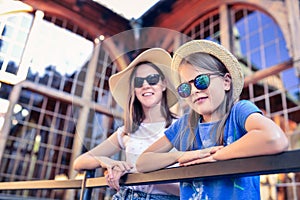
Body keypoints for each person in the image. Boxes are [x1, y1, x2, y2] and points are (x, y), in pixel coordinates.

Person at [136, 40, 289, 200]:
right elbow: (143, 162)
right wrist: (180, 156)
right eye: (186, 88)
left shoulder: (239, 112)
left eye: (201, 81)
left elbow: (275, 138)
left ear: (226, 82)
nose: (194, 90)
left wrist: (215, 156)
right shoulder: (185, 125)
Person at [73, 48, 180, 200]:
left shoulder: (181, 127)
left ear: (163, 84)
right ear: (134, 90)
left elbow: (190, 187)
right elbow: (79, 162)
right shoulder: (126, 132)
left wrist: (136, 173)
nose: (145, 85)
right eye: (138, 81)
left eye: (152, 79)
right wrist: (107, 162)